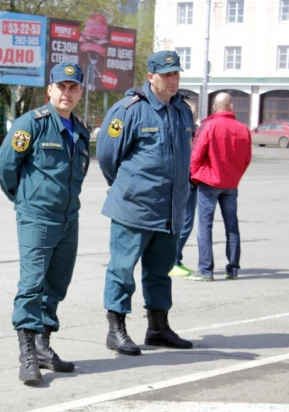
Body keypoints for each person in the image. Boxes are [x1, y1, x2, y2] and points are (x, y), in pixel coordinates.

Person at [0, 62, 91, 383]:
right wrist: (23, 199)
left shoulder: (81, 130)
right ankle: (28, 356)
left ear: (79, 92)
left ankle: (44, 346)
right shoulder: (31, 124)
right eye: (61, 86)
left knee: (56, 285)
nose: (67, 92)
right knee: (32, 285)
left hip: (68, 219)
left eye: (73, 87)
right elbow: (6, 164)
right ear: (50, 90)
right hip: (37, 217)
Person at [96, 50, 194, 356]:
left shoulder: (183, 111)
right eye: (166, 75)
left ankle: (158, 327)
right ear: (150, 76)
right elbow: (107, 157)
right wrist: (129, 188)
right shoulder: (129, 110)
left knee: (160, 271)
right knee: (122, 269)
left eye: (176, 74)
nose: (173, 80)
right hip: (135, 207)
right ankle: (116, 329)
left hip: (169, 209)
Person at [185, 92, 252, 282]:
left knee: (205, 227)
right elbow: (247, 158)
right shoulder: (243, 129)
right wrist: (236, 175)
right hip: (231, 183)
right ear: (231, 107)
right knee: (232, 226)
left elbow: (197, 154)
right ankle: (233, 269)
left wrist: (193, 175)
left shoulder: (210, 126)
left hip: (209, 182)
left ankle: (206, 270)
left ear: (215, 108)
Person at [169, 100, 199, 277]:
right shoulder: (183, 131)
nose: (194, 116)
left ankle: (175, 259)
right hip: (186, 181)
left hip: (188, 180)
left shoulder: (192, 130)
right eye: (192, 113)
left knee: (183, 223)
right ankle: (172, 261)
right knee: (184, 223)